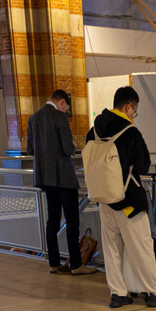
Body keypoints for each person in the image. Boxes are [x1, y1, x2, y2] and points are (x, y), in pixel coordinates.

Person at [86, 86, 156, 309]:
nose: (133, 115)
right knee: (141, 247)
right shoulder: (130, 132)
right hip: (128, 202)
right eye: (134, 111)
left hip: (104, 200)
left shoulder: (93, 131)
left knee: (112, 250)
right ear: (128, 106)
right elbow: (142, 165)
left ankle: (118, 294)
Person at [24, 89, 92, 275]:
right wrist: (73, 146)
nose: (66, 110)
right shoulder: (59, 117)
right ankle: (76, 265)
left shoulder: (33, 118)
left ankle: (53, 263)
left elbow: (30, 149)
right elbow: (67, 148)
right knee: (72, 221)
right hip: (63, 177)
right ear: (62, 102)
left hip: (45, 178)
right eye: (67, 107)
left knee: (52, 220)